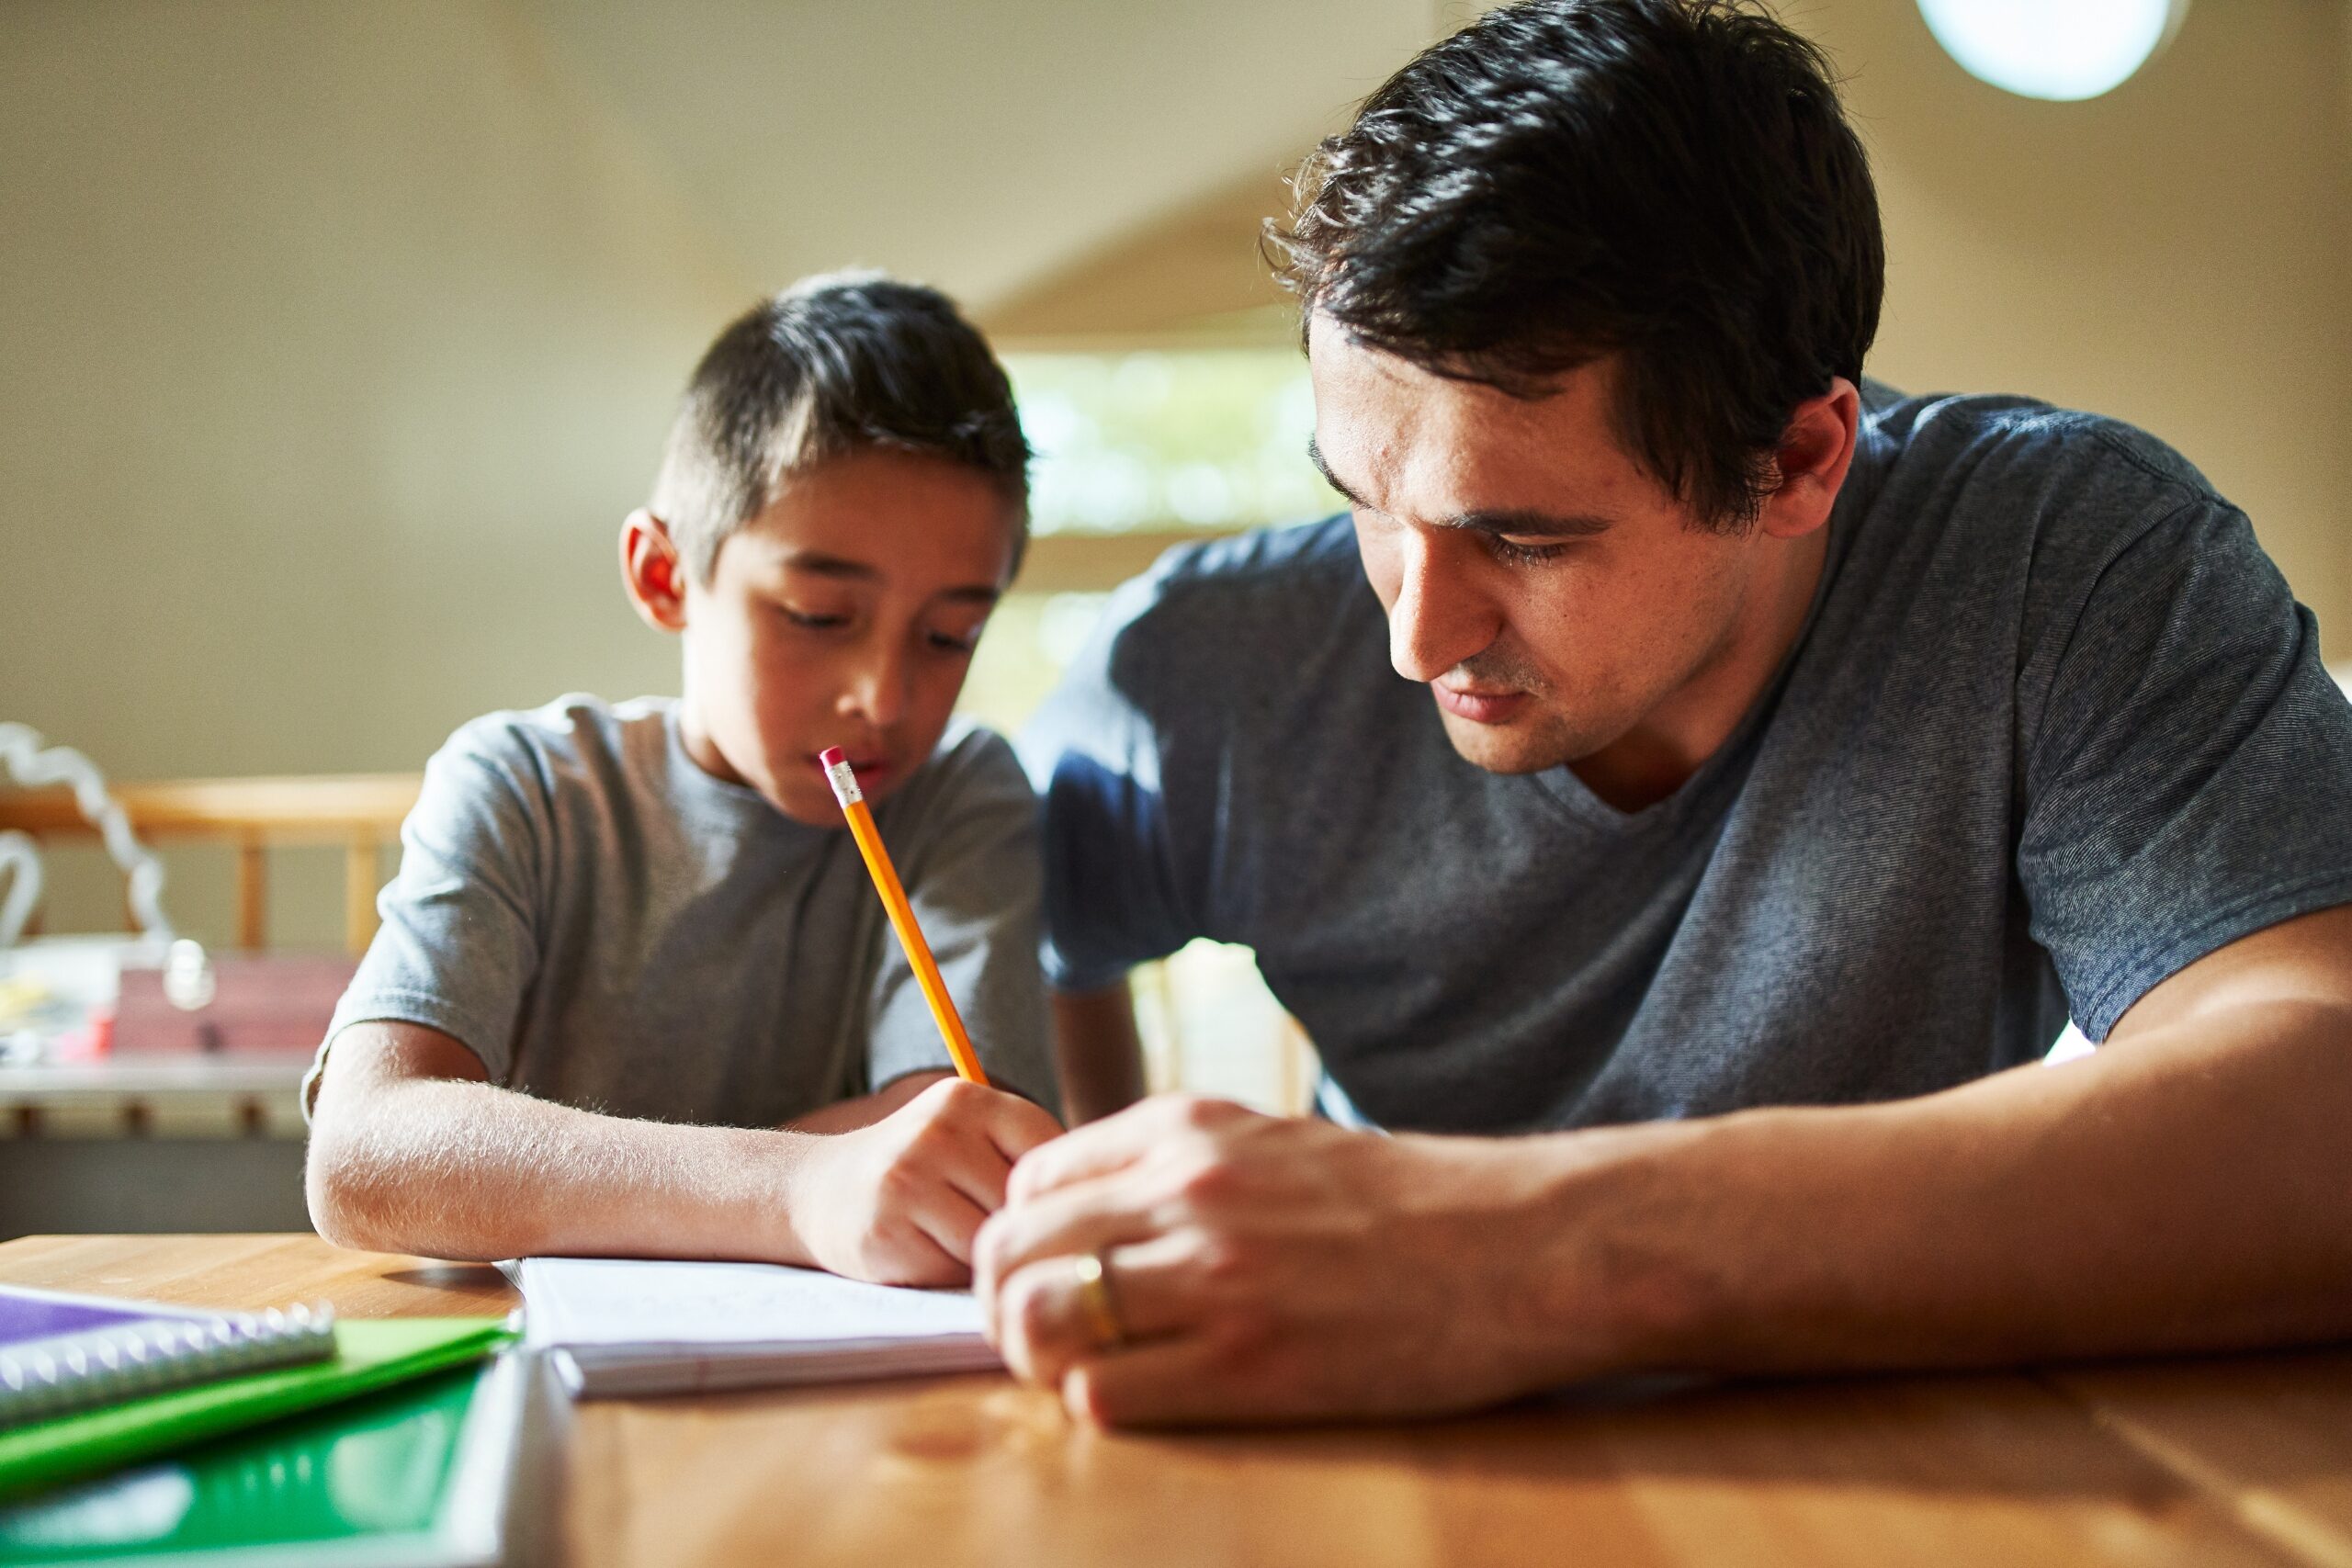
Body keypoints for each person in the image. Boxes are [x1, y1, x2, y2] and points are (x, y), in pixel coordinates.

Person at [978, 0, 2352, 1425]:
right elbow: (929, 984)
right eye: (1360, 505)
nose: (1414, 634)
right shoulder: (1201, 668)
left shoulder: (2066, 561)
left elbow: (2326, 1096)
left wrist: (1506, 1252)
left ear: (1804, 459)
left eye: (1523, 537)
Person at [305, 274, 1062, 1286]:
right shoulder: (527, 789)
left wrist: (547, 1185)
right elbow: (367, 1156)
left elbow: (953, 1150)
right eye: (818, 615)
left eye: (948, 635)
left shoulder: (959, 795)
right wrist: (795, 1190)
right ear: (665, 576)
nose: (883, 697)